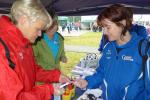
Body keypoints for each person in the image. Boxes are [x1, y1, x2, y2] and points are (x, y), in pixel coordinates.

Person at [74, 4, 150, 100]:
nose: (104, 32)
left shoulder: (144, 49)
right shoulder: (108, 48)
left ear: (123, 23)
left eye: (108, 27)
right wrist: (87, 82)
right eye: (103, 28)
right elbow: (101, 73)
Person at [0, 0, 71, 100]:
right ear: (23, 20)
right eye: (38, 29)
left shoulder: (25, 43)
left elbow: (32, 71)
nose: (40, 34)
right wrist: (48, 90)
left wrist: (56, 76)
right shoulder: (3, 49)